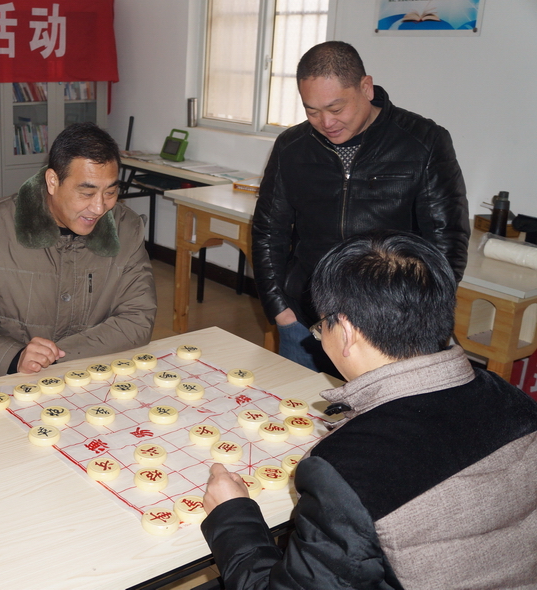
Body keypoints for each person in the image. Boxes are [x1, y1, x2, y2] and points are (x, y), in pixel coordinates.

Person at [202, 231, 537, 590]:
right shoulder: (514, 400)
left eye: (321, 328)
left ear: (346, 332)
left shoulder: (344, 472)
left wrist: (231, 514)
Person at [252, 41, 469, 374]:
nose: (326, 122)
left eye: (336, 108)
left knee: (385, 410)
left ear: (366, 88)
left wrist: (416, 318)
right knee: (299, 405)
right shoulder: (292, 146)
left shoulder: (423, 141)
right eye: (312, 111)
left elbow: (447, 240)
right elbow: (269, 231)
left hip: (389, 328)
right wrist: (279, 309)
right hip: (306, 320)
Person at [0, 122, 156, 384]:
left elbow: (137, 317)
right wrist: (15, 357)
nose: (99, 207)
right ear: (53, 181)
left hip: (92, 379)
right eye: (86, 193)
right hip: (1, 380)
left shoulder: (126, 227)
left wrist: (55, 358)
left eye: (110, 192)